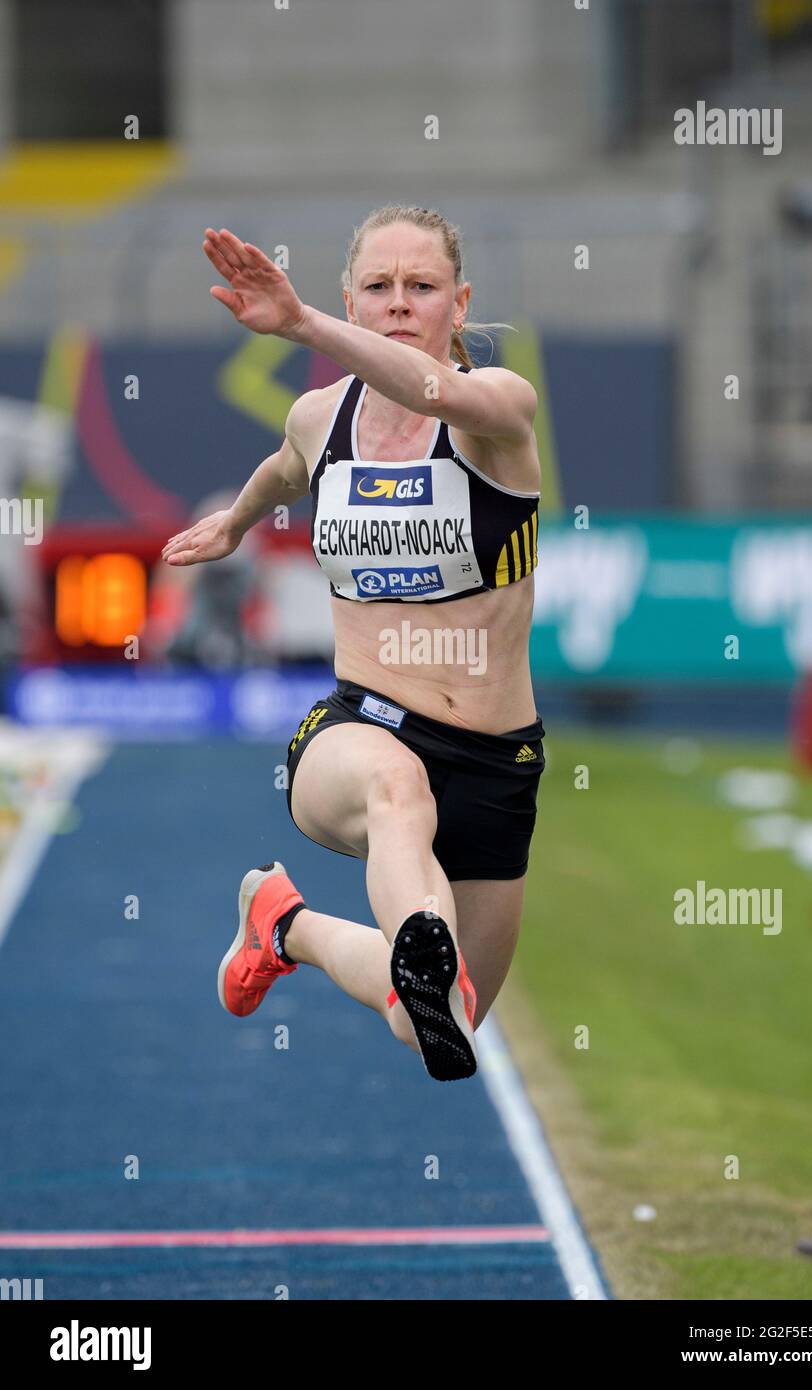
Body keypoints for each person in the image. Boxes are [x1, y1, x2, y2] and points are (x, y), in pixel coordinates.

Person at [161, 205, 546, 1082]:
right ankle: (411, 935)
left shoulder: (498, 409)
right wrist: (236, 523)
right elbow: (286, 469)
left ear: (461, 302)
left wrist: (302, 325)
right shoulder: (318, 418)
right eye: (379, 287)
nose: (400, 303)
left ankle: (283, 923)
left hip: (494, 760)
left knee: (439, 1021)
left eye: (422, 286)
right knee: (394, 787)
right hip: (360, 728)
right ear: (352, 297)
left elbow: (429, 390)